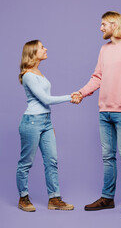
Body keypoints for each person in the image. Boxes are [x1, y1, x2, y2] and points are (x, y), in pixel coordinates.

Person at [72, 11, 121, 213]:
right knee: (108, 156)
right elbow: (97, 77)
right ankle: (107, 198)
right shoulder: (104, 50)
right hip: (104, 112)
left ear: (114, 25)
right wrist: (81, 93)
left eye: (103, 24)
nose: (101, 28)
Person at [16, 40, 74, 212]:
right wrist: (71, 96)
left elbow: (45, 104)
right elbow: (46, 100)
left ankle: (54, 199)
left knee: (52, 161)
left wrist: (50, 124)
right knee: (26, 162)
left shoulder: (39, 72)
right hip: (32, 122)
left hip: (46, 122)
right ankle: (23, 198)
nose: (46, 48)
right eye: (42, 47)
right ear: (33, 52)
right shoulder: (27, 75)